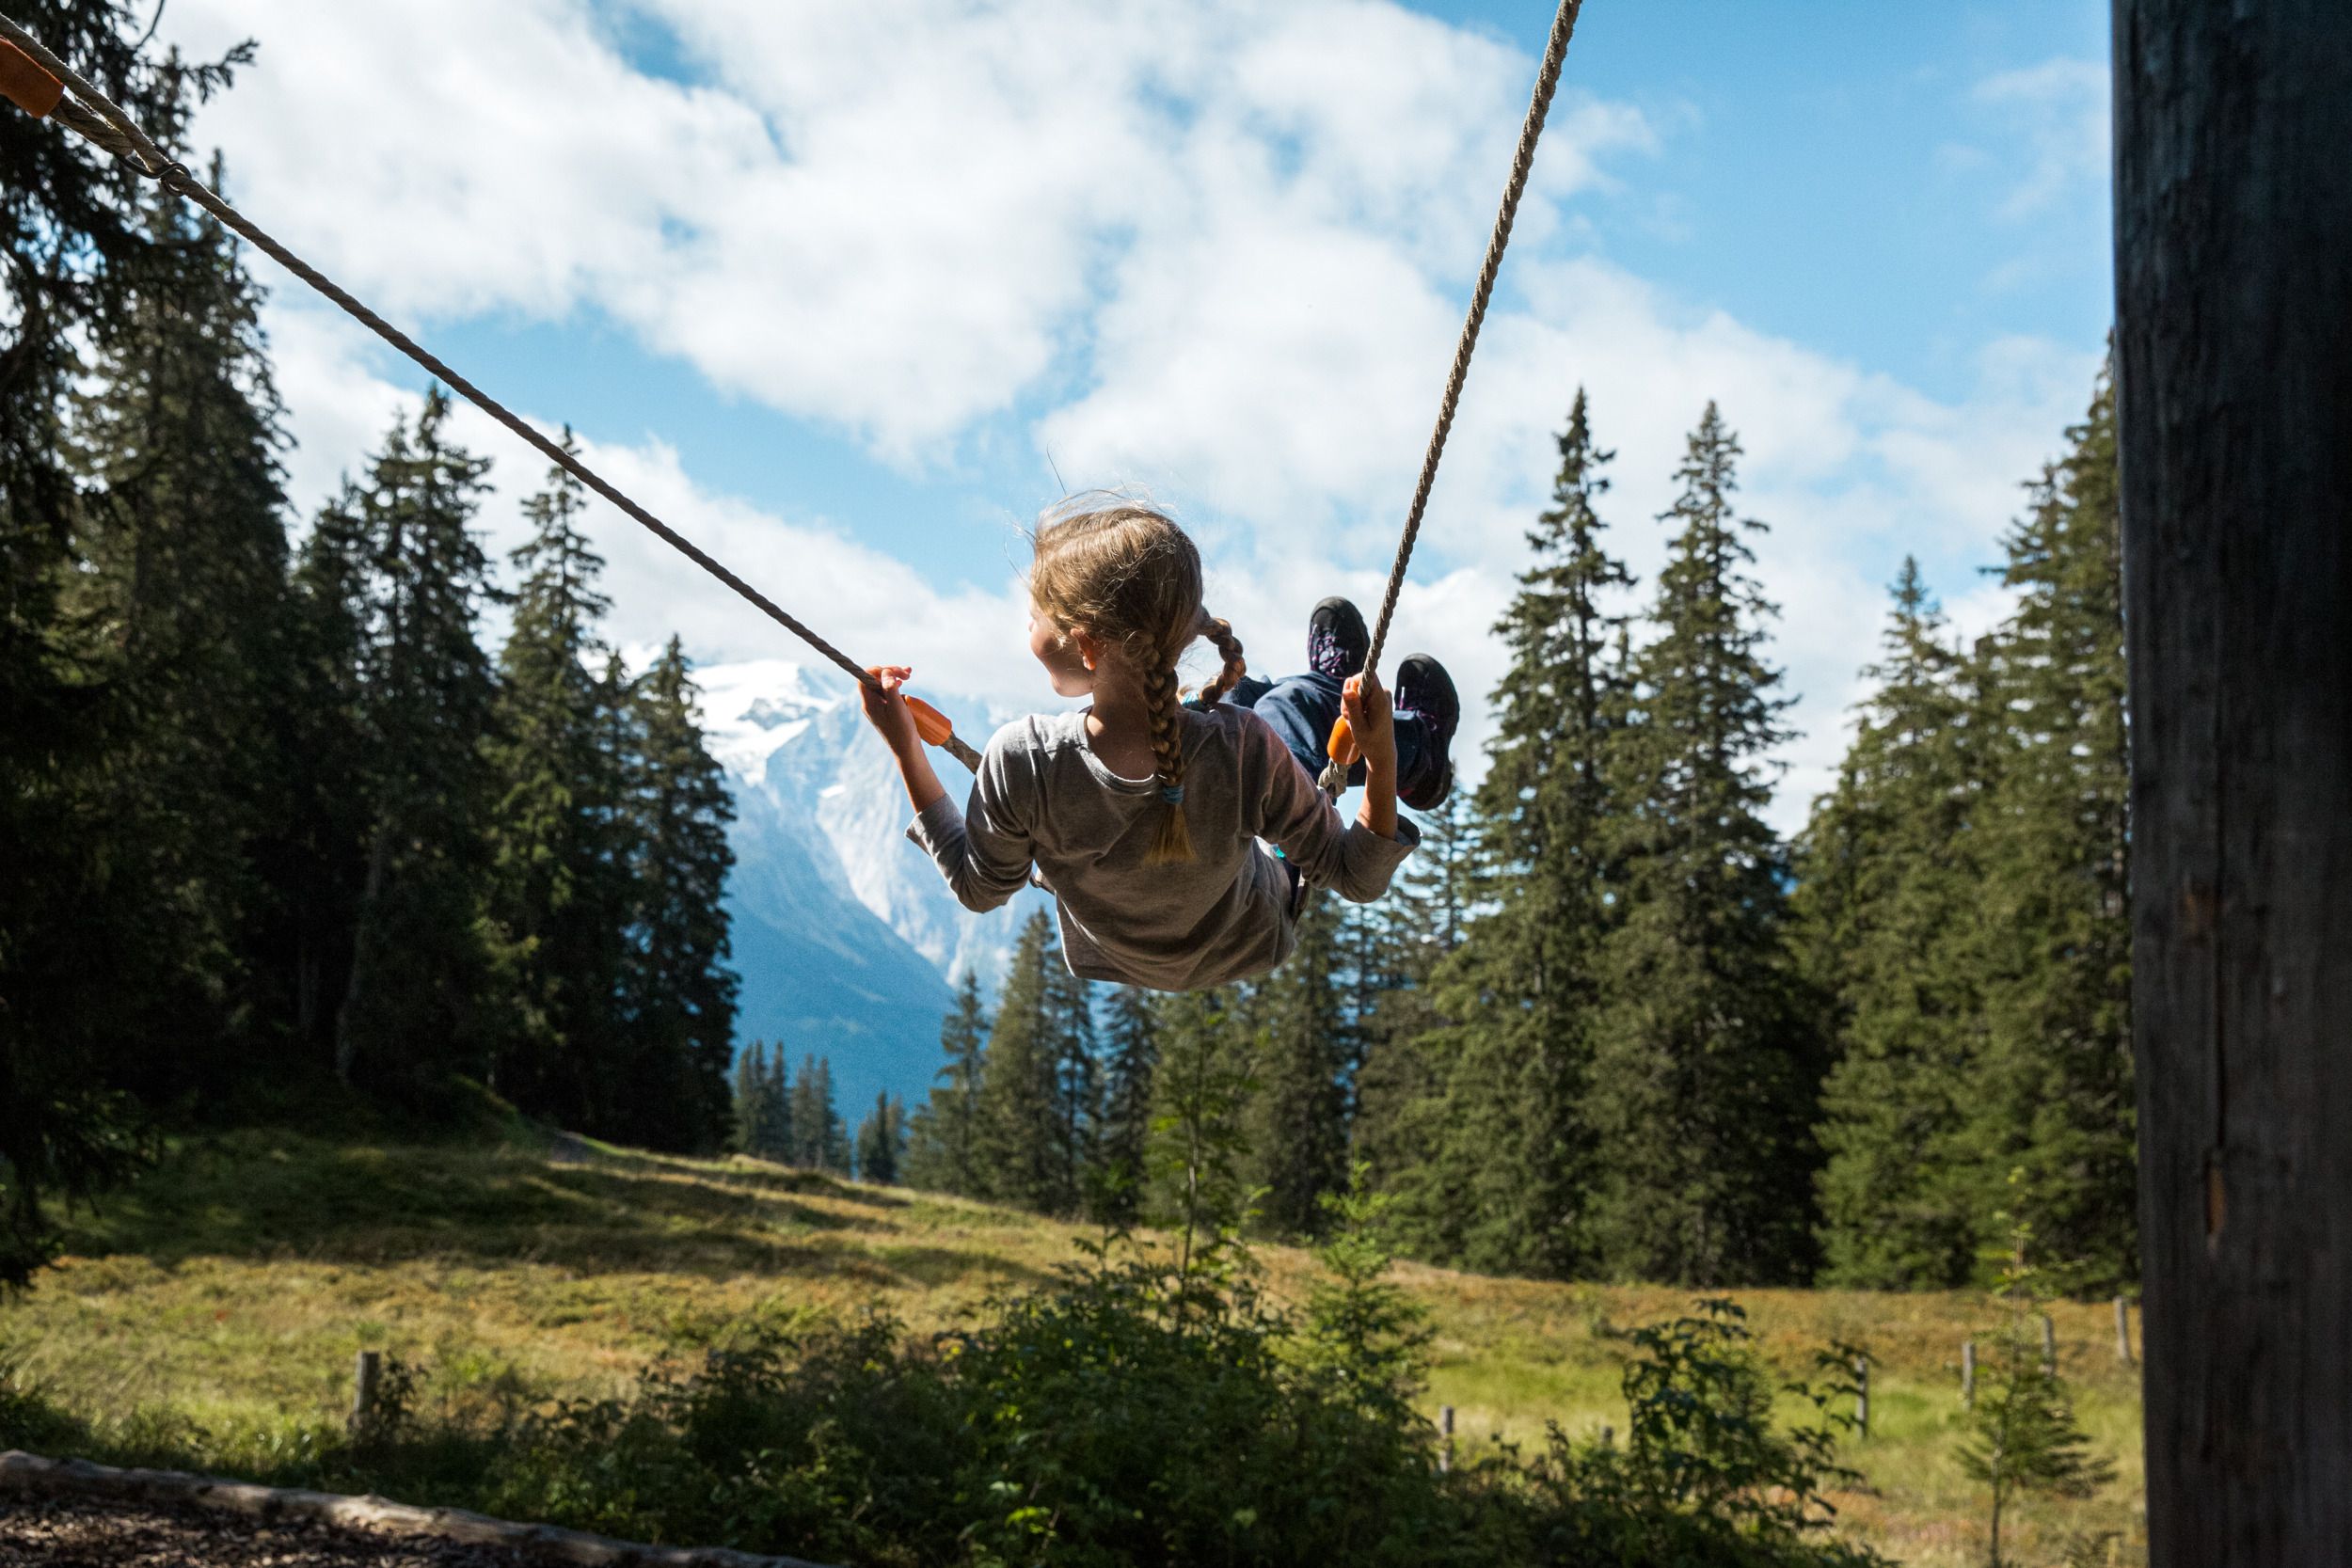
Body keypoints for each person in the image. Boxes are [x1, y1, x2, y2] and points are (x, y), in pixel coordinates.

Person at [857, 499, 1458, 991]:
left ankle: (1340, 693)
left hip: (1114, 957)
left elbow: (977, 886)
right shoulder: (1241, 749)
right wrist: (1378, 758)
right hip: (1247, 933)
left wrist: (906, 749)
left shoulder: (1023, 761)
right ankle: (1412, 750)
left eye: (1037, 612)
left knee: (1240, 697)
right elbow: (1355, 875)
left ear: (1088, 647)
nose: (1028, 624)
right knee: (1283, 707)